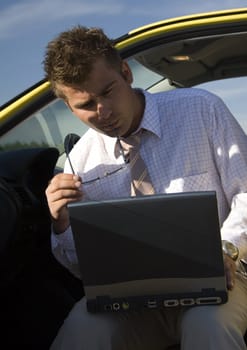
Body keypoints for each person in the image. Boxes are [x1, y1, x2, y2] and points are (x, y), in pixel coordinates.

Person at [44, 25, 247, 349]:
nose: (103, 112)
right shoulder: (80, 160)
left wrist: (226, 249)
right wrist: (62, 224)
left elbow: (246, 194)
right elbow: (84, 271)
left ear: (126, 73)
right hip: (131, 298)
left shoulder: (201, 109)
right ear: (68, 107)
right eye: (86, 105)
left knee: (207, 325)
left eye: (108, 92)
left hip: (223, 282)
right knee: (80, 330)